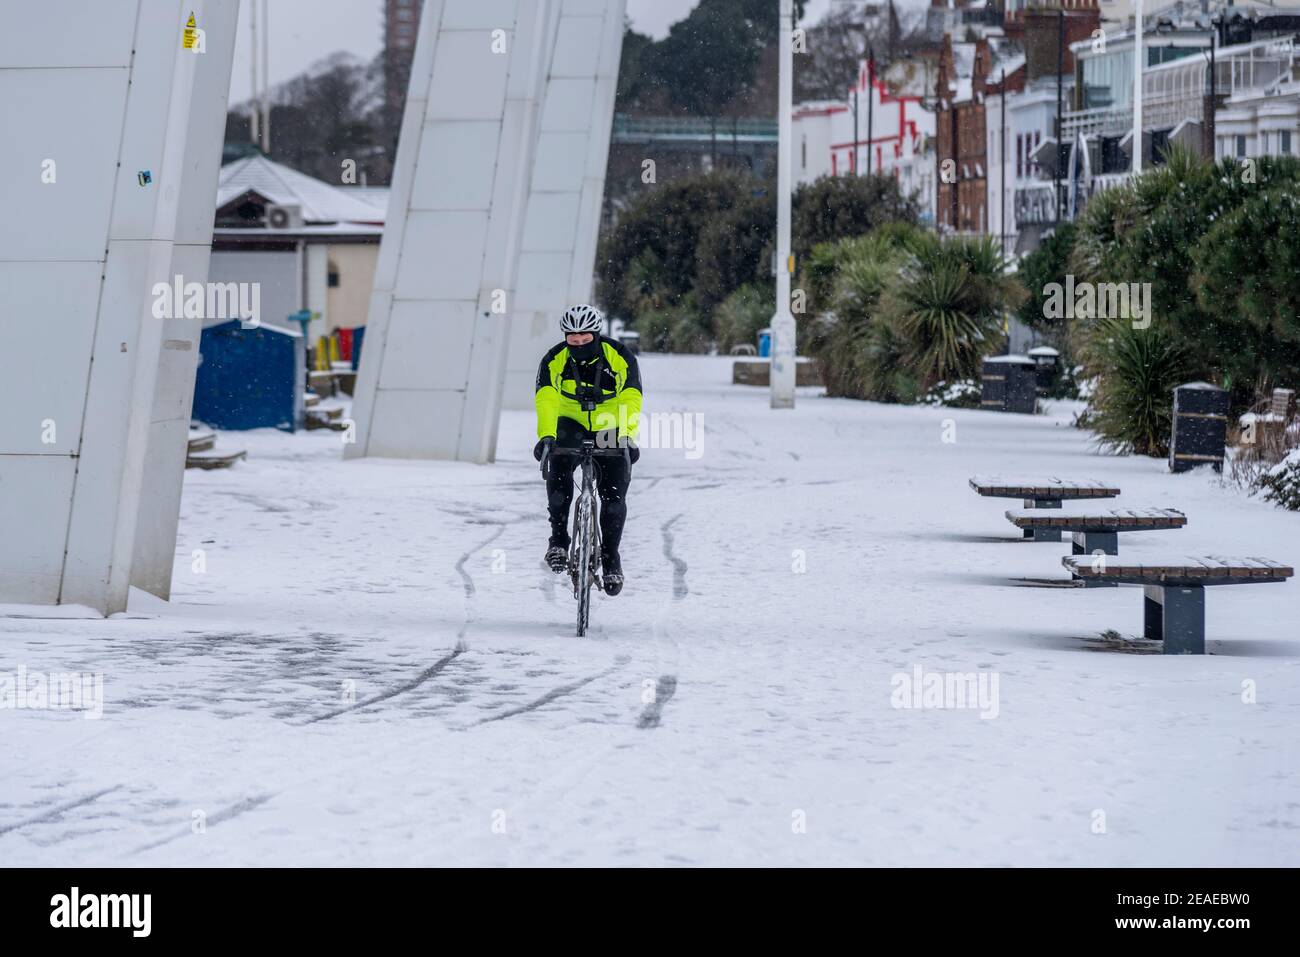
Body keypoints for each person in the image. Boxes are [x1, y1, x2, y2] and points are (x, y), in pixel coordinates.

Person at [533, 304, 642, 596]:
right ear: (566, 337)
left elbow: (631, 397)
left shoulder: (619, 356)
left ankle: (611, 559)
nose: (579, 345)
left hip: (608, 422)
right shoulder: (554, 358)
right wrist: (546, 436)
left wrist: (628, 436)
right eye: (573, 340)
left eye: (585, 340)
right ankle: (558, 541)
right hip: (570, 420)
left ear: (596, 335)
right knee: (558, 474)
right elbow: (546, 398)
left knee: (613, 496)